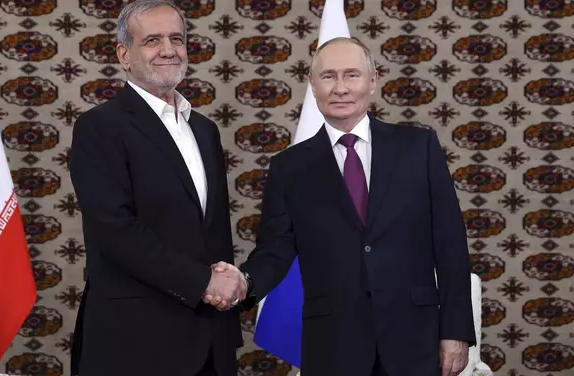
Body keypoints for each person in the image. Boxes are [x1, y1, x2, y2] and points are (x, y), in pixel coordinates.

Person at [204, 37, 476, 376]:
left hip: (415, 339)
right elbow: (275, 251)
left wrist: (455, 331)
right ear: (312, 84)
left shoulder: (418, 149)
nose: (341, 88)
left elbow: (450, 245)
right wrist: (243, 281)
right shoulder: (289, 168)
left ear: (373, 81)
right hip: (333, 345)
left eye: (352, 75)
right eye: (329, 76)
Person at [69, 0, 247, 376]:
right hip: (135, 341)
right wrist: (203, 282)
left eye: (177, 39)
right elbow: (115, 231)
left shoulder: (204, 129)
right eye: (152, 40)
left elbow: (211, 232)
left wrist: (227, 288)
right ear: (124, 54)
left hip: (211, 338)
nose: (168, 50)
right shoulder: (100, 127)